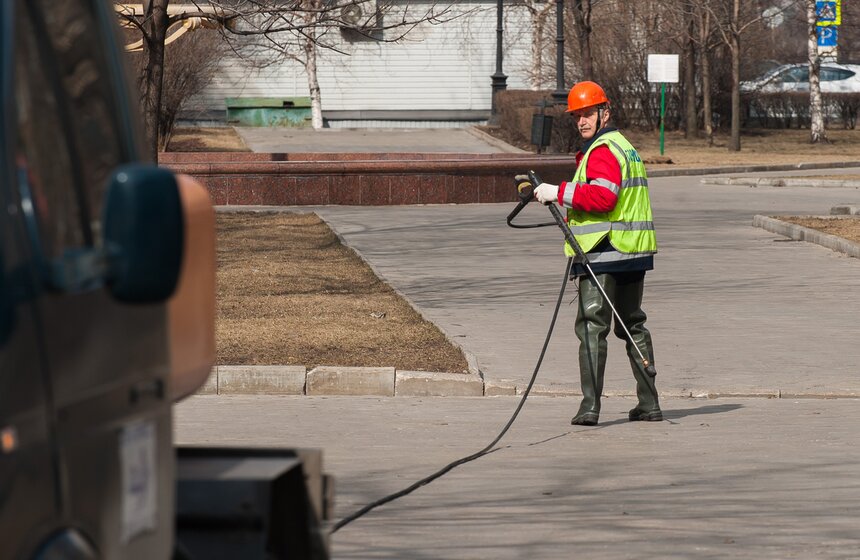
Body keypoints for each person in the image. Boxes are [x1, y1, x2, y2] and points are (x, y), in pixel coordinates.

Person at [532, 81, 662, 426]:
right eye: (577, 116)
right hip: (633, 252)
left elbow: (603, 198)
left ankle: (590, 407)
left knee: (592, 327)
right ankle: (649, 403)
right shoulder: (625, 147)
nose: (582, 121)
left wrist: (555, 191)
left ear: (605, 112)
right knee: (633, 323)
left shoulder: (603, 150)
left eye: (588, 113)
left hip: (603, 252)